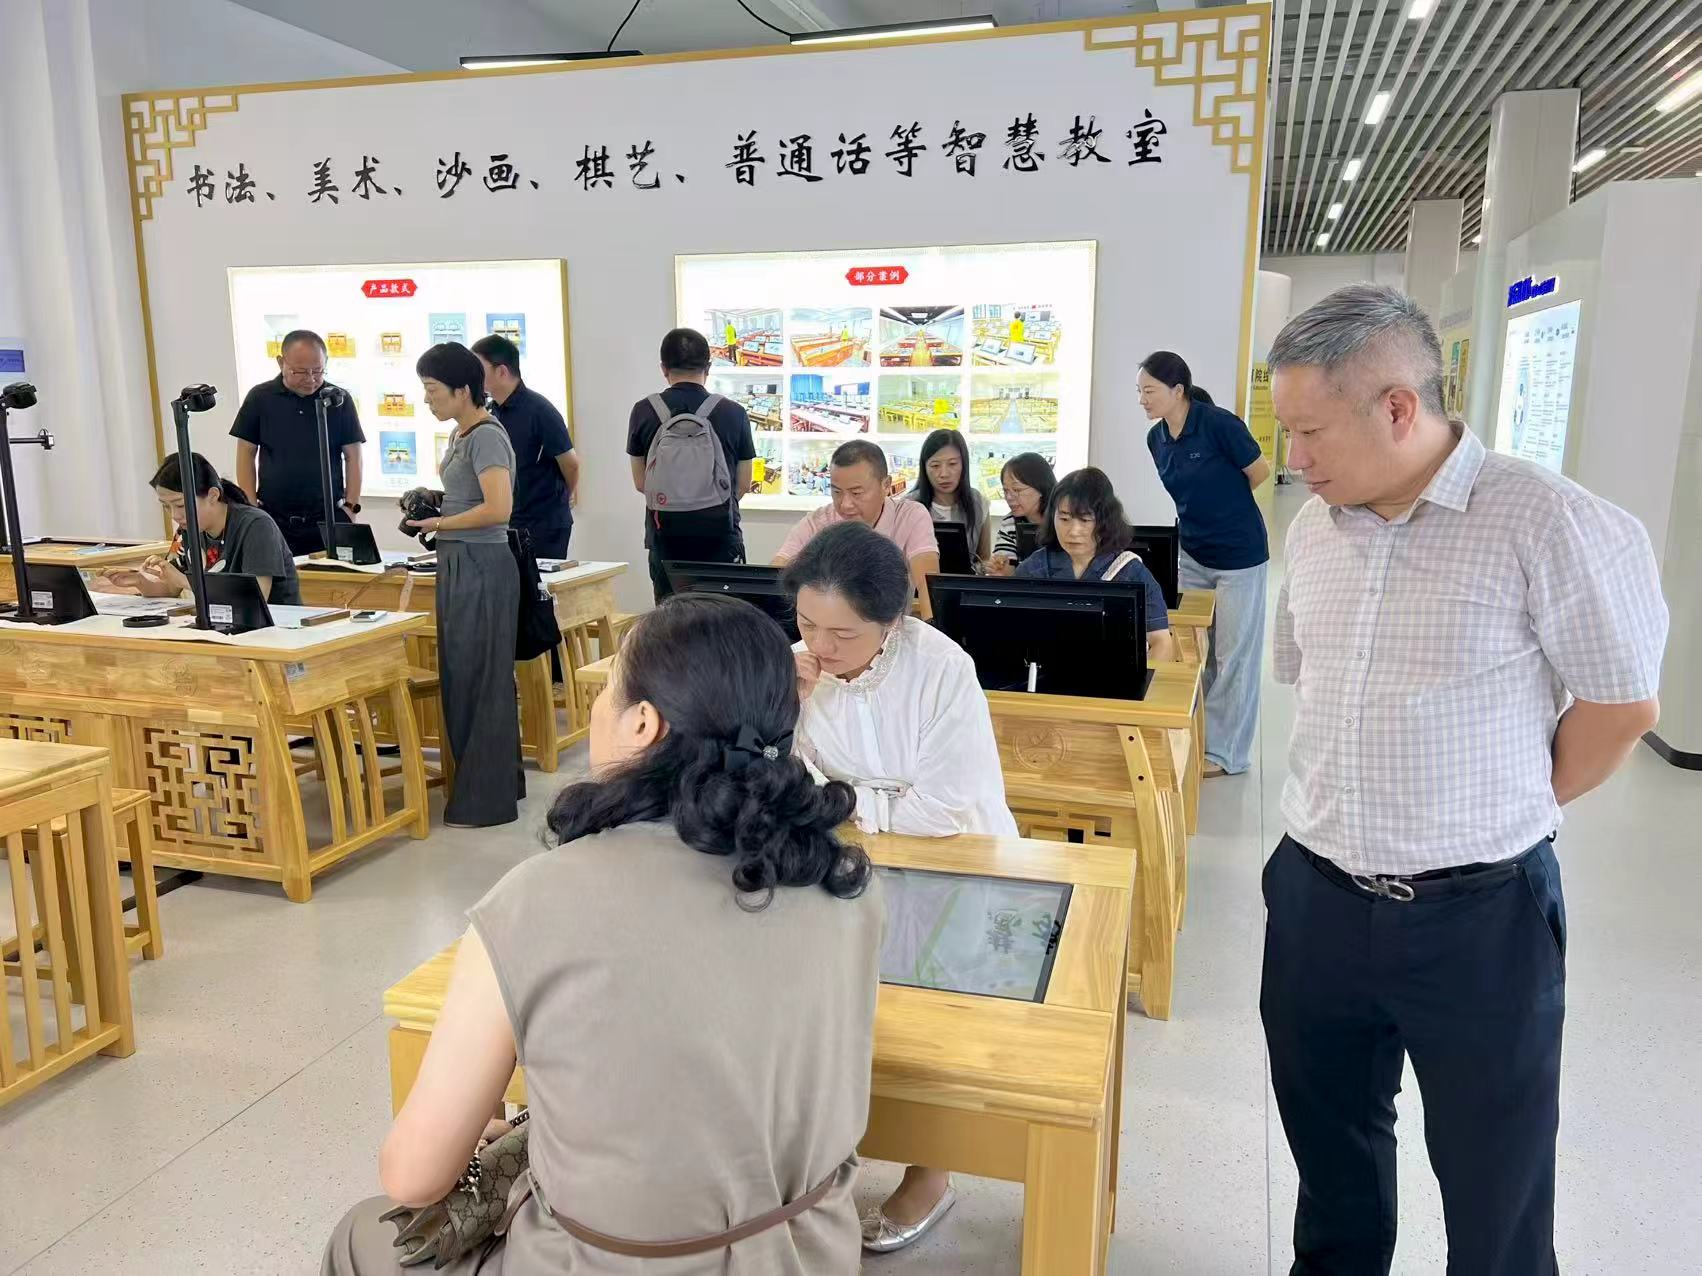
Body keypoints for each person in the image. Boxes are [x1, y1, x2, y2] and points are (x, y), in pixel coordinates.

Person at [1263, 284, 1667, 1275]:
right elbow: (1311, 686)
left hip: (1479, 916)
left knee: (1495, 1186)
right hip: (1317, 896)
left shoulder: (1547, 520)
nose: (1292, 459)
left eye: (1310, 431)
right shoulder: (1314, 529)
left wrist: (1502, 806)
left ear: (1399, 407)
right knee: (1330, 1157)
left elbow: (1620, 707)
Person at [322, 593, 883, 1275]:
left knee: (362, 1236)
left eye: (607, 687)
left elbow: (413, 1176)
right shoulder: (844, 884)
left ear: (642, 723)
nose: (595, 706)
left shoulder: (535, 901)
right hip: (808, 1254)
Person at [782, 521, 1015, 1254]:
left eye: (842, 634)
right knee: (830, 1014)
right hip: (844, 867)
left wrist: (841, 801)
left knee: (934, 1025)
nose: (820, 645)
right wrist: (781, 713)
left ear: (892, 622)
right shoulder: (795, 670)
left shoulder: (941, 668)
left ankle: (930, 1170)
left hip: (956, 862)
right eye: (806, 623)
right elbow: (785, 784)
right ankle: (827, 1152)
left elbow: (943, 808)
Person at [406, 342, 522, 829]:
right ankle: (489, 787)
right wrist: (436, 503)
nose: (427, 399)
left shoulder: (486, 436)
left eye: (433, 390)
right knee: (464, 676)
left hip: (481, 565)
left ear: (463, 390)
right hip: (460, 562)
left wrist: (439, 523)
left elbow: (499, 509)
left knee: (482, 679)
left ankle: (485, 800)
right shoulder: (461, 434)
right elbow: (471, 497)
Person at [1140, 351, 1270, 776]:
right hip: (1192, 553)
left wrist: (1226, 509)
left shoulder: (1218, 425)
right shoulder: (1156, 439)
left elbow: (1259, 472)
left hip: (1238, 556)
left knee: (1233, 656)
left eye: (1150, 391)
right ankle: (1197, 737)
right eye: (1140, 392)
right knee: (1195, 652)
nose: (1142, 399)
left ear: (1178, 390)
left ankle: (1226, 753)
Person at [627, 328, 755, 602]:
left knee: (671, 619)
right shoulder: (733, 412)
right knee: (724, 617)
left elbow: (641, 483)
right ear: (708, 367)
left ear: (664, 368)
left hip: (665, 539)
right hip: (721, 538)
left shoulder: (643, 411)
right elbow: (743, 484)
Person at [1015, 467, 1176, 661]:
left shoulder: (1131, 572)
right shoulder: (1033, 570)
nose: (1073, 531)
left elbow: (1160, 641)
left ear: (1105, 521)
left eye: (1085, 520)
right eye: (1064, 519)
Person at [230, 329, 365, 557]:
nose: (310, 379)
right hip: (274, 516)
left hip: (328, 517)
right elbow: (246, 452)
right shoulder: (260, 398)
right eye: (300, 371)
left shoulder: (337, 399)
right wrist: (251, 507)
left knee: (331, 578)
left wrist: (351, 507)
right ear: (281, 362)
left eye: (318, 371)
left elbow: (354, 456)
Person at [104, 452, 301, 605]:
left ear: (213, 495)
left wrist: (184, 581)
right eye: (166, 506)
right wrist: (139, 581)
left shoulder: (256, 525)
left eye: (180, 505)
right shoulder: (187, 530)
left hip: (277, 629)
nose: (174, 515)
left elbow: (254, 599)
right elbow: (170, 589)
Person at [772, 440, 940, 619]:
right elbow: (776, 575)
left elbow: (927, 584)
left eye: (856, 493)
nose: (845, 504)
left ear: (886, 485)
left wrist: (932, 629)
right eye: (837, 492)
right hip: (827, 628)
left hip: (890, 629)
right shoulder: (818, 522)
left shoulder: (909, 516)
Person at [473, 333, 578, 559]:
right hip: (507, 522)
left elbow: (571, 464)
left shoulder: (539, 410)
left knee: (538, 581)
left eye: (478, 368)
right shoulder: (490, 412)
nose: (473, 375)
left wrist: (563, 497)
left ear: (501, 371)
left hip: (543, 524)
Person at [905, 428, 991, 566]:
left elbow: (984, 558)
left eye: (952, 464)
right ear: (924, 467)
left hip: (965, 579)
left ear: (964, 464)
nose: (944, 474)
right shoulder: (908, 506)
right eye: (935, 466)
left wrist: (989, 567)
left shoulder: (978, 503)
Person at [987, 450, 1055, 575]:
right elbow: (1006, 564)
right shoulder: (1010, 522)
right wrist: (1001, 570)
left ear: (1040, 487)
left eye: (1017, 490)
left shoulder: (1062, 520)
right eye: (1005, 490)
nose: (1009, 497)